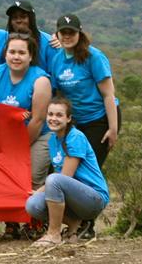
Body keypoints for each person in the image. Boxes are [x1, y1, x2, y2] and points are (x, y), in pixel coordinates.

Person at [47, 13, 120, 240]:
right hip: (74, 122)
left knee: (86, 172)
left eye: (72, 32)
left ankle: (87, 224)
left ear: (80, 33)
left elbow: (108, 94)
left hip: (99, 120)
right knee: (63, 171)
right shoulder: (57, 59)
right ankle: (72, 223)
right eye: (64, 32)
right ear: (58, 34)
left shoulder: (93, 57)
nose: (68, 36)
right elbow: (57, 94)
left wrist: (113, 128)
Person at [0, 32, 52, 240]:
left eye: (22, 53)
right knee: (7, 177)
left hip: (38, 136)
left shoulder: (40, 80)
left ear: (30, 56)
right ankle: (12, 223)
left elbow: (38, 120)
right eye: (12, 52)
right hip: (6, 138)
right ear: (5, 54)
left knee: (32, 176)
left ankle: (36, 222)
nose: (16, 57)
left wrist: (19, 148)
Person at [25, 97, 109, 246]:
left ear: (68, 118)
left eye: (59, 115)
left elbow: (64, 177)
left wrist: (41, 189)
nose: (53, 119)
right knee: (33, 204)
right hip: (72, 197)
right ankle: (75, 224)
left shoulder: (75, 137)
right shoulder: (53, 140)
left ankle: (53, 234)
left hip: (93, 198)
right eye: (50, 114)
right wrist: (37, 193)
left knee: (53, 179)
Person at [5, 0, 56, 68]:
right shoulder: (4, 40)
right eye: (14, 17)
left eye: (23, 17)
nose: (18, 20)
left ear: (31, 18)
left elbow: (54, 71)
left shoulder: (49, 42)